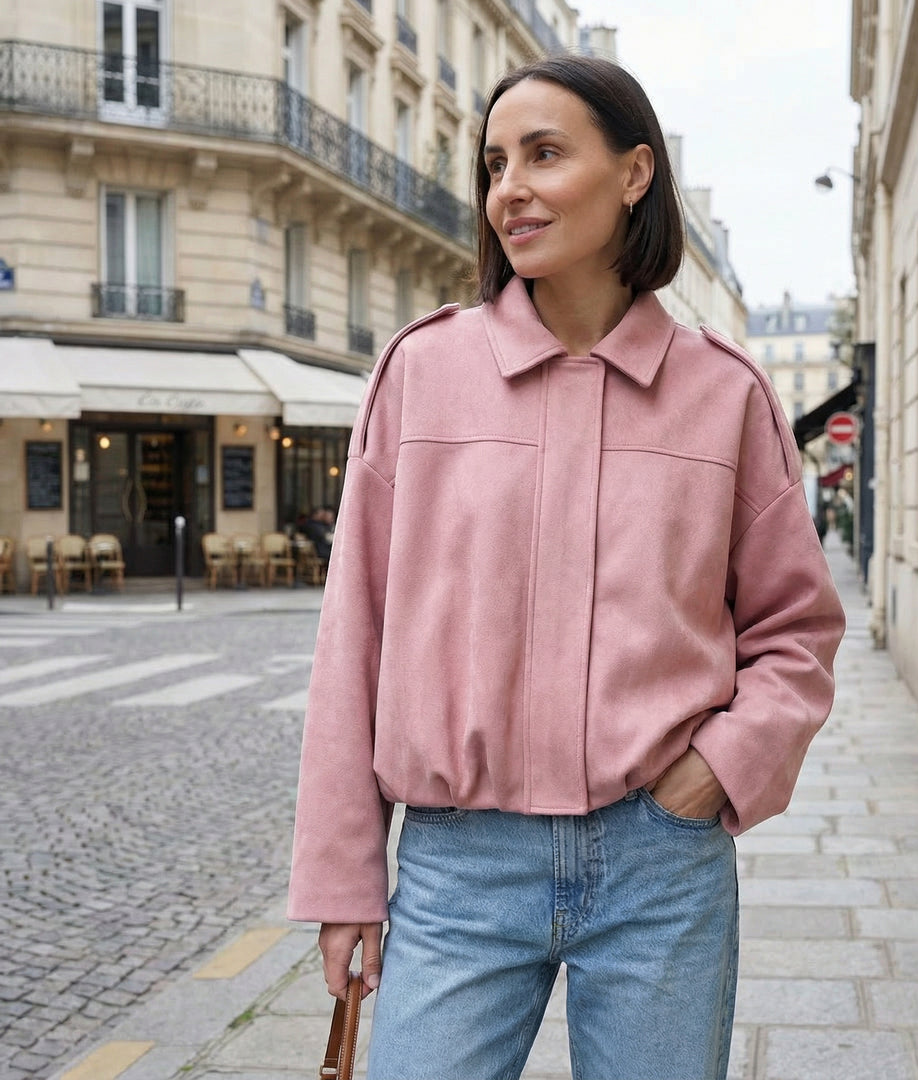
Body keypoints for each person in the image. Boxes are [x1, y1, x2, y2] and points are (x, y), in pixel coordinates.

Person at [289, 54, 845, 1080]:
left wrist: (716, 772)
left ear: (635, 174)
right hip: (458, 869)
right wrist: (343, 880)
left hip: (658, 865)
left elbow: (797, 630)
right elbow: (353, 637)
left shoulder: (722, 393)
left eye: (545, 155)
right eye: (496, 163)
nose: (511, 188)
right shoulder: (423, 372)